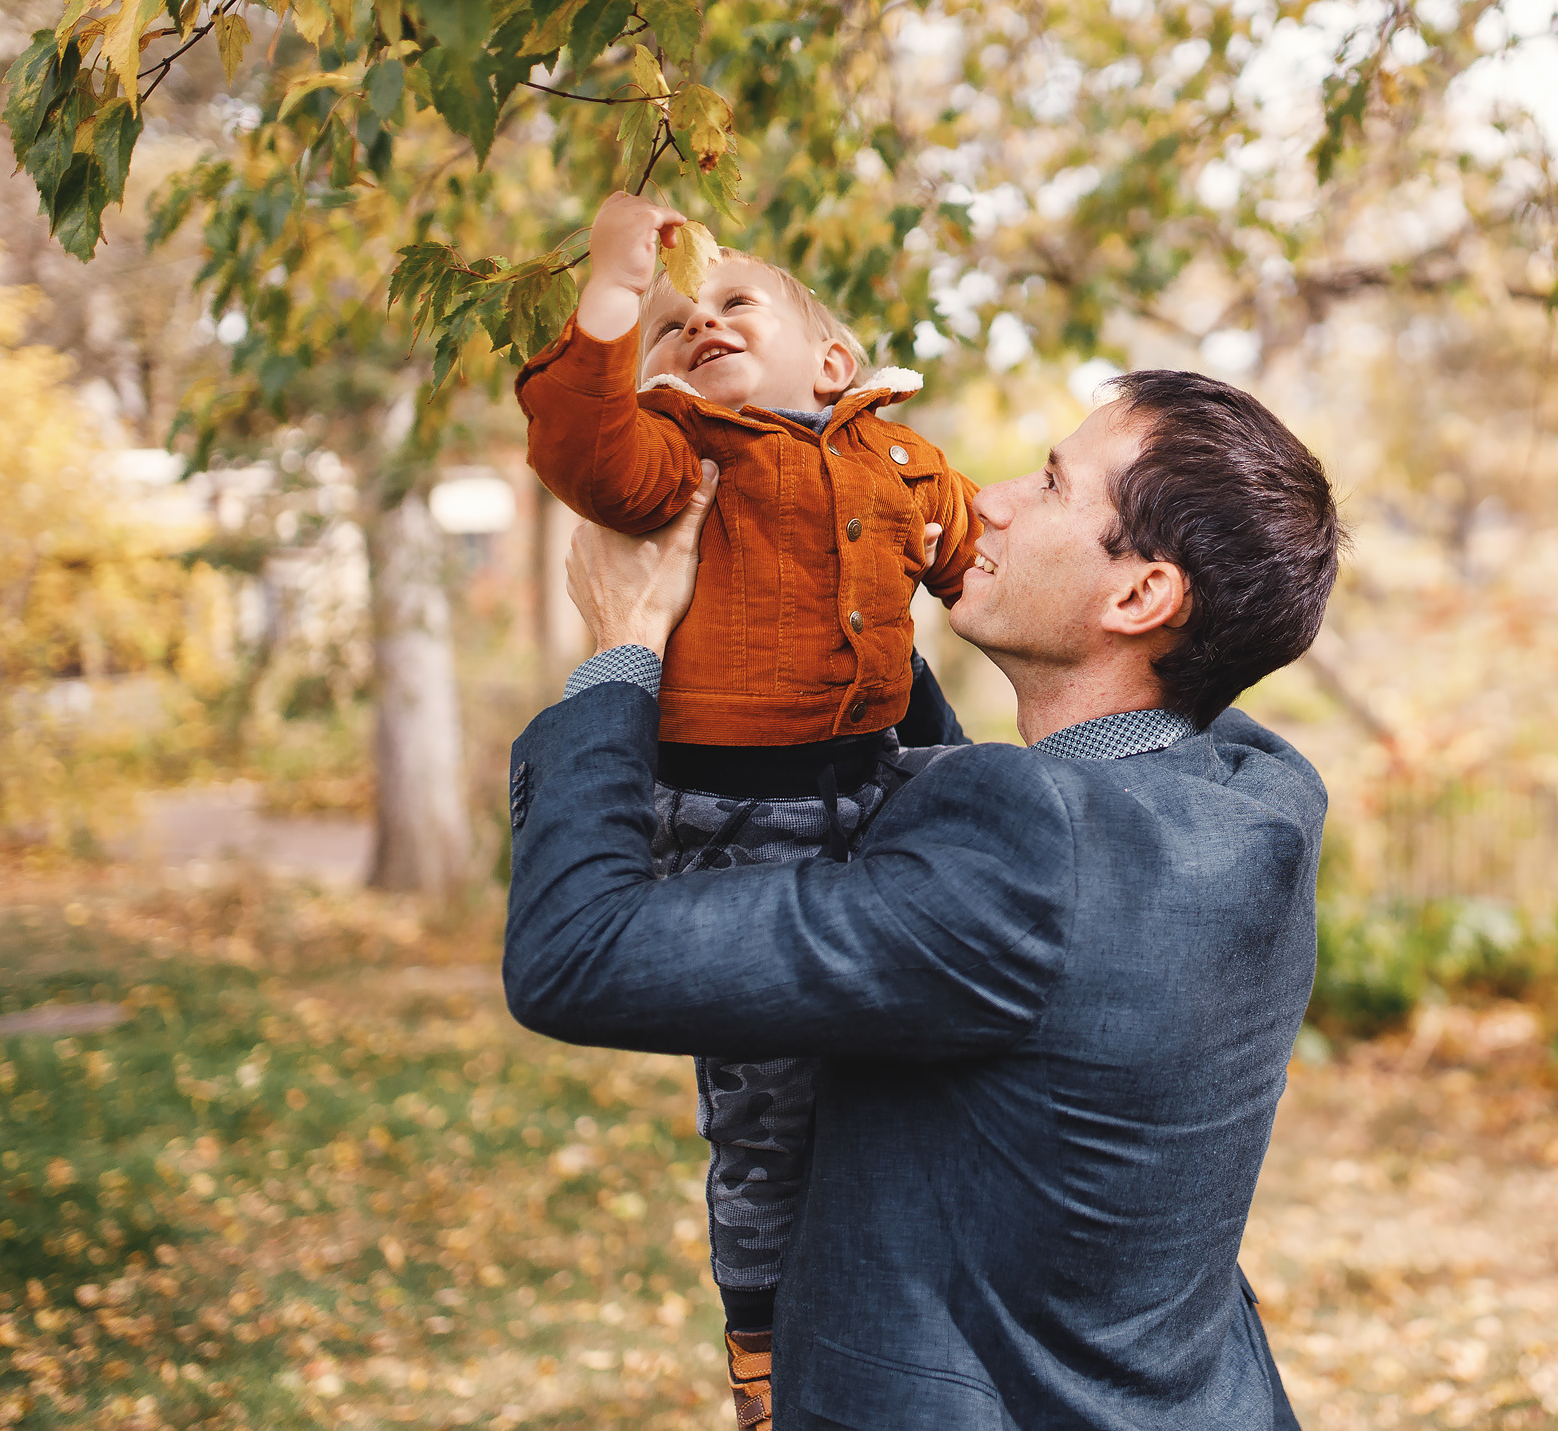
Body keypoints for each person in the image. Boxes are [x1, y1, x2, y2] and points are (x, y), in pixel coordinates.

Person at [504, 369, 1343, 1430]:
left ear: (1139, 597)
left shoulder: (1029, 860)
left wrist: (621, 655)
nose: (986, 497)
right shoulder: (1254, 790)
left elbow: (577, 954)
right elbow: (988, 845)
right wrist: (831, 564)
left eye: (1047, 484)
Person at [515, 191, 980, 1418]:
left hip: (879, 783)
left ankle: (924, 1286)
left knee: (912, 1052)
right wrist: (616, 297)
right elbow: (586, 452)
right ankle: (765, 1343)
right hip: (734, 823)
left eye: (734, 303)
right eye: (677, 325)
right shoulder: (686, 458)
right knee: (767, 1107)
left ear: (834, 363)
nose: (699, 324)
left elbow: (970, 546)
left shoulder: (891, 454)